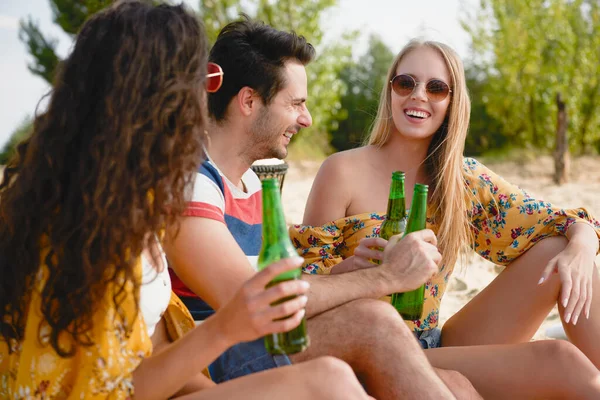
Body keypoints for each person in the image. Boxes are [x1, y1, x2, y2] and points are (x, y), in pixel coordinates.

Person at [0, 3, 372, 399]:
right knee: (330, 379)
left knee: (331, 378)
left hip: (165, 381)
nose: (210, 96)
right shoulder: (77, 228)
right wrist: (227, 327)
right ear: (154, 95)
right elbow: (109, 388)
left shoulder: (124, 200)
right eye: (205, 79)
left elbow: (154, 349)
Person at [166, 18, 480, 400]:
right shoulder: (190, 183)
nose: (306, 118)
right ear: (249, 101)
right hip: (206, 363)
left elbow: (278, 290)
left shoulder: (251, 185)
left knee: (459, 386)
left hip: (256, 345)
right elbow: (254, 303)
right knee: (373, 323)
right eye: (296, 103)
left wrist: (343, 274)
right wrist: (385, 279)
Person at [291, 38, 600, 398]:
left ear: (452, 102)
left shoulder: (461, 180)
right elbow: (302, 291)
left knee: (561, 252)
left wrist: (582, 244)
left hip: (436, 344)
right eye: (406, 83)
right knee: (559, 358)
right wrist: (356, 271)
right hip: (368, 348)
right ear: (390, 90)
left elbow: (563, 222)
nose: (418, 96)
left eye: (436, 88)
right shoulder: (341, 171)